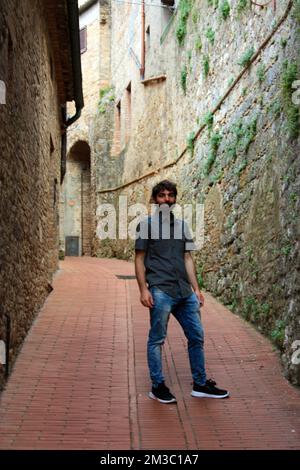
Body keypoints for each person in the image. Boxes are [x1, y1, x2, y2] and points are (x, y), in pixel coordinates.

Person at [134, 179, 229, 404]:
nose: (166, 199)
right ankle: (158, 386)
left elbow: (187, 258)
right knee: (157, 339)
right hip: (160, 290)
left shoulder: (182, 226)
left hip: (184, 292)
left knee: (197, 336)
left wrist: (196, 289)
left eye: (170, 195)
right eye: (162, 195)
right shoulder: (145, 225)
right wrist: (142, 290)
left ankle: (200, 384)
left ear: (175, 199)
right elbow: (139, 259)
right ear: (154, 200)